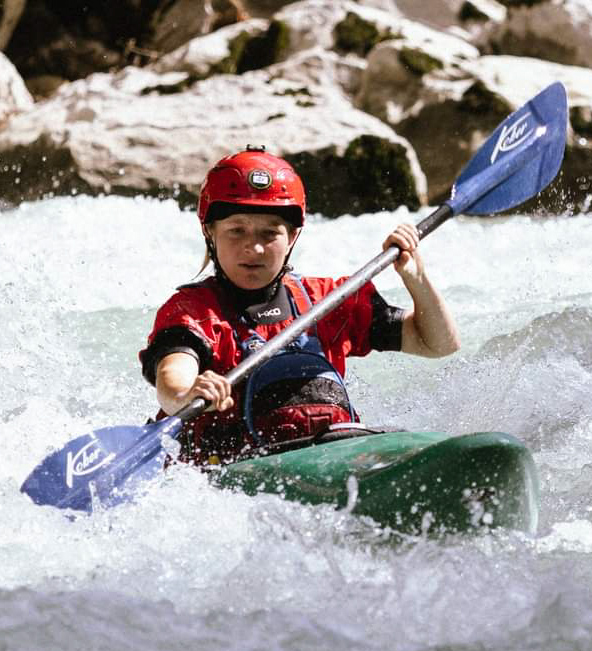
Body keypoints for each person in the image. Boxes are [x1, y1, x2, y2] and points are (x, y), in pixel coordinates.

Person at [139, 147, 459, 466]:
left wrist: (417, 280)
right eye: (237, 230)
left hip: (332, 458)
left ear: (292, 236)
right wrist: (187, 393)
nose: (255, 247)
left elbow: (438, 344)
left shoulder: (329, 300)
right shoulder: (192, 310)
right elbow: (172, 380)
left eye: (270, 232)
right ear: (210, 232)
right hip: (233, 472)